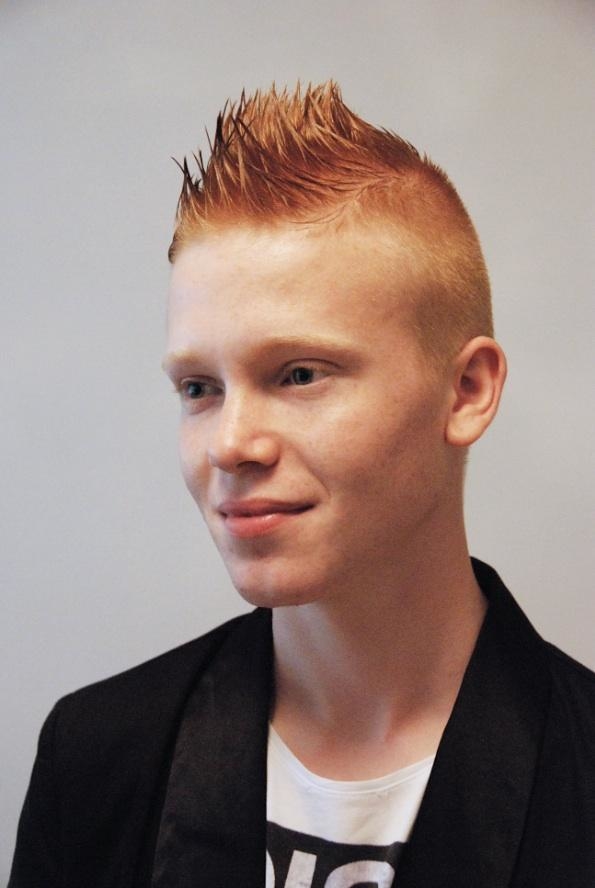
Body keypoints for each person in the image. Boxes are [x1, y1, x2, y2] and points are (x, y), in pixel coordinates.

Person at [9, 82, 595, 888]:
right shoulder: (96, 757)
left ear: (464, 392)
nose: (229, 444)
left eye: (298, 374)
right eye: (198, 388)